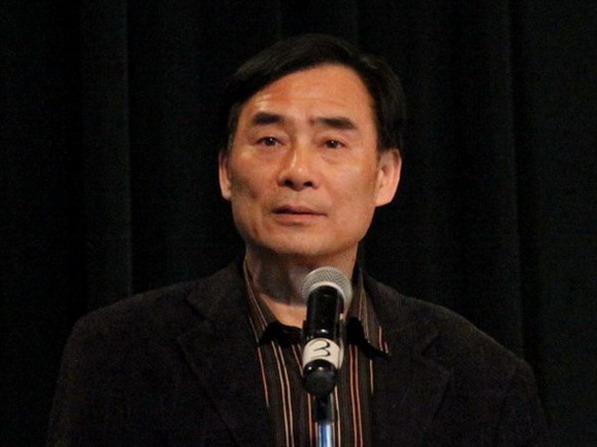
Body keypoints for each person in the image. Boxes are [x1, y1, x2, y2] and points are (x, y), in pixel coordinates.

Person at [48, 34, 549, 446]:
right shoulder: (121, 352)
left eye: (332, 143)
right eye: (270, 140)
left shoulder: (482, 376)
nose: (297, 171)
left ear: (385, 176)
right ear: (225, 170)